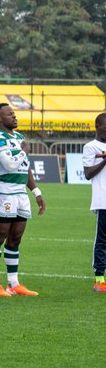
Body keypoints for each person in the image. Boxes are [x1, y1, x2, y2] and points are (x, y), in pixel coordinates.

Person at [0, 103, 45, 296]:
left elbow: (24, 168)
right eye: (9, 114)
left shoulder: (19, 138)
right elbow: (10, 165)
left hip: (21, 193)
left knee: (15, 238)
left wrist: (36, 192)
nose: (14, 116)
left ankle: (14, 283)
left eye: (14, 113)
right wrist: (23, 151)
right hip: (4, 192)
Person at [82, 113, 106, 292]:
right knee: (102, 240)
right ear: (97, 126)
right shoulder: (91, 147)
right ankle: (99, 278)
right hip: (103, 200)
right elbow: (88, 173)